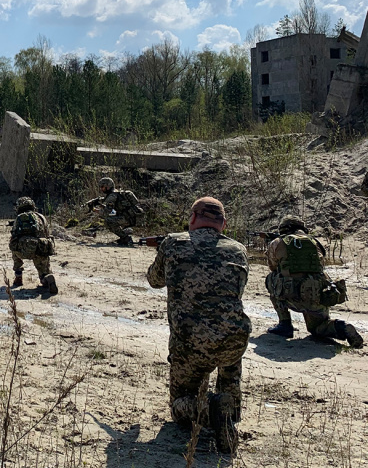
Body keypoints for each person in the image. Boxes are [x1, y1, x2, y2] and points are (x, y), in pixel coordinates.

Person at [146, 197, 250, 454]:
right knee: (229, 353)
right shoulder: (239, 250)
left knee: (179, 408)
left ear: (192, 218)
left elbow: (154, 280)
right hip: (233, 340)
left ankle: (208, 409)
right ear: (223, 224)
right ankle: (229, 408)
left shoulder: (172, 243)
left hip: (189, 344)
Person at [265, 215, 363, 348]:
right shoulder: (315, 242)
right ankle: (341, 327)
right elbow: (319, 266)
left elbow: (273, 267)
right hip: (316, 294)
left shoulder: (277, 242)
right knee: (317, 329)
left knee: (271, 279)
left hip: (291, 295)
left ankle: (285, 324)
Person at [9, 197, 58, 294]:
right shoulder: (41, 217)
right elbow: (47, 235)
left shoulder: (19, 218)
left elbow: (14, 237)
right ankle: (46, 278)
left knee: (13, 245)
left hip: (23, 251)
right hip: (40, 249)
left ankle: (18, 276)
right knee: (43, 271)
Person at [86, 177, 143, 246]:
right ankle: (124, 235)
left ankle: (126, 238)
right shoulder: (118, 193)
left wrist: (94, 209)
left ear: (108, 186)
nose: (101, 189)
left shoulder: (112, 196)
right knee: (113, 219)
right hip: (135, 217)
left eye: (102, 187)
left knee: (108, 221)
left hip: (129, 218)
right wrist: (98, 202)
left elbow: (105, 213)